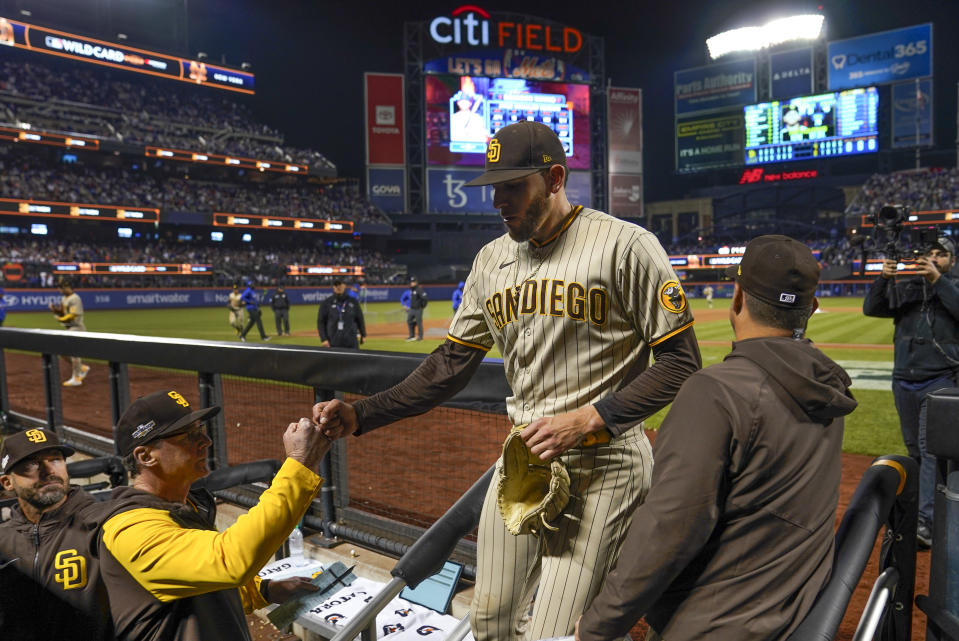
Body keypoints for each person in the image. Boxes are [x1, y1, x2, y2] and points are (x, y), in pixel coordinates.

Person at [313, 120, 701, 641]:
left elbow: (681, 363)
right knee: (492, 621)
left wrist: (591, 417)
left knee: (552, 633)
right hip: (521, 463)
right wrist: (363, 413)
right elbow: (449, 365)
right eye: (493, 187)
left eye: (513, 186)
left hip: (605, 463)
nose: (498, 200)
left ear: (556, 178)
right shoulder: (490, 261)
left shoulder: (626, 247)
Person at [575, 235, 856, 641]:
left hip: (716, 623)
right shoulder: (826, 386)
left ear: (737, 298)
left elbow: (668, 528)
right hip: (794, 613)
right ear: (811, 308)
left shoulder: (715, 391)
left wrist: (599, 625)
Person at [97, 390, 330, 641]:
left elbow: (203, 585)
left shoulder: (184, 507)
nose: (206, 441)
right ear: (145, 456)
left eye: (201, 429)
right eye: (190, 435)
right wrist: (299, 464)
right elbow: (230, 560)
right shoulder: (131, 530)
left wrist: (265, 591)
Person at [863, 235, 959, 549]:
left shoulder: (952, 287)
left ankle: (925, 523)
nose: (933, 258)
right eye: (929, 253)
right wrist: (884, 277)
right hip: (904, 378)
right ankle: (929, 509)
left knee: (928, 449)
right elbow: (873, 308)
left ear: (951, 260)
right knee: (914, 450)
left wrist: (939, 280)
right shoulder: (910, 288)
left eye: (940, 254)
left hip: (941, 379)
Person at [0, 429, 113, 640]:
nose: (48, 470)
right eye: (31, 464)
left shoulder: (102, 523)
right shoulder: (3, 540)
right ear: (8, 483)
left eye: (56, 459)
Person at [50, 278, 90, 386]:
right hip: (69, 328)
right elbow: (63, 312)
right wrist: (55, 310)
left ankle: (76, 378)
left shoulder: (75, 298)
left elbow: (73, 315)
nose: (60, 290)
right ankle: (82, 368)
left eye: (62, 288)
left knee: (74, 353)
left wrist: (60, 319)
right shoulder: (64, 299)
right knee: (62, 351)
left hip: (77, 328)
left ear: (68, 287)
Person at [317, 279, 366, 348]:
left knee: (353, 358)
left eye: (340, 284)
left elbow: (360, 318)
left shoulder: (353, 302)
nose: (338, 287)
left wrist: (363, 334)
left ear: (344, 286)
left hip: (351, 342)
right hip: (333, 342)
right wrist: (324, 339)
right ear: (333, 287)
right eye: (336, 285)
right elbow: (321, 322)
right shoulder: (326, 303)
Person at [405, 276, 428, 341]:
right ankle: (412, 336)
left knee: (419, 322)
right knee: (409, 320)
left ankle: (420, 337)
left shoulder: (419, 289)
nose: (411, 283)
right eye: (411, 282)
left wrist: (423, 306)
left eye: (413, 282)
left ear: (416, 282)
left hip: (418, 309)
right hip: (412, 309)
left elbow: (425, 298)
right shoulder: (412, 290)